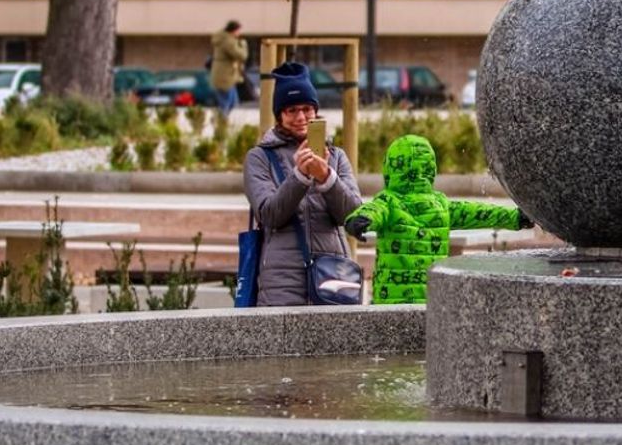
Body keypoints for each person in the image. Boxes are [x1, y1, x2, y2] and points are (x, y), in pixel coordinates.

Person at [345, 134, 532, 304]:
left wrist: (359, 220)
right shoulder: (441, 205)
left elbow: (373, 210)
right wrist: (516, 217)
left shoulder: (388, 201)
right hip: (433, 300)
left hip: (391, 301)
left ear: (390, 168)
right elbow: (478, 212)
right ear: (431, 169)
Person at [243, 62, 363, 306]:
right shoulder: (259, 157)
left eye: (307, 109)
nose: (301, 118)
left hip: (332, 278)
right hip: (281, 284)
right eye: (291, 110)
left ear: (316, 111)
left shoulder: (336, 156)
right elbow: (269, 215)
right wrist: (299, 177)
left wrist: (326, 178)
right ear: (279, 115)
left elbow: (353, 216)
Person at [210, 20, 248, 118]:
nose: (239, 33)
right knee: (226, 103)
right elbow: (241, 56)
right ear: (233, 30)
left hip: (226, 77)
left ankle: (220, 120)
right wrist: (243, 45)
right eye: (238, 30)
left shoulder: (224, 39)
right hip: (225, 78)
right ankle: (221, 121)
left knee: (232, 102)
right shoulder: (228, 41)